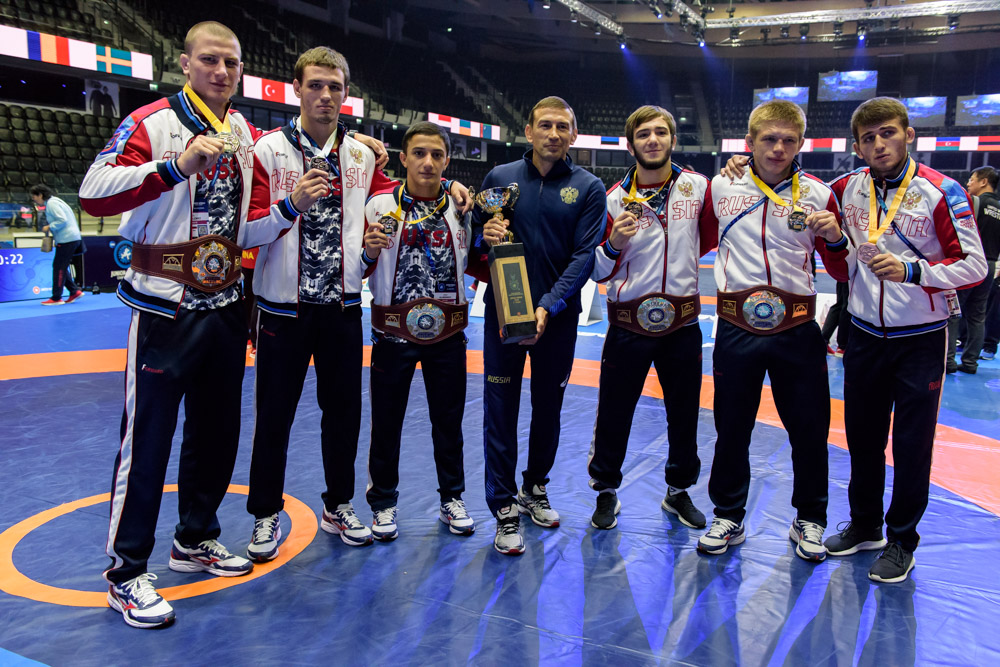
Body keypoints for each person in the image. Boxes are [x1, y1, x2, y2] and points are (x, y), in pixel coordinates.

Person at [79, 22, 281, 629]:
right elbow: (93, 191)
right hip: (164, 308)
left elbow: (248, 221)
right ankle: (126, 572)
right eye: (210, 60)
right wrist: (174, 166)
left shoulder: (245, 132)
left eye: (232, 62)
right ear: (185, 64)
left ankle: (194, 538)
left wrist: (297, 203)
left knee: (216, 434)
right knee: (148, 441)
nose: (222, 71)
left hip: (226, 306)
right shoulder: (151, 122)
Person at [243, 48, 469, 560]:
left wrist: (452, 183)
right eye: (316, 85)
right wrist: (290, 205)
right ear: (296, 89)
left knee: (343, 416)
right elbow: (245, 230)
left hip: (343, 308)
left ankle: (339, 505)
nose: (325, 96)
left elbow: (412, 190)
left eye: (335, 87)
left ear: (346, 94)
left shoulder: (363, 158)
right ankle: (264, 514)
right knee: (273, 417)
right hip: (281, 307)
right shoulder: (267, 150)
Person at [823, 98, 987, 582]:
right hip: (863, 333)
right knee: (862, 438)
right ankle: (866, 525)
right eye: (869, 138)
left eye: (888, 133)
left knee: (912, 445)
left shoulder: (943, 191)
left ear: (908, 135)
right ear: (857, 147)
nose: (879, 144)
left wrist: (913, 271)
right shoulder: (844, 189)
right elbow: (796, 193)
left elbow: (975, 266)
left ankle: (901, 541)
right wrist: (740, 164)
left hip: (921, 337)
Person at [699, 100, 849, 562]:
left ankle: (810, 518)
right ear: (750, 142)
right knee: (731, 428)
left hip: (797, 327)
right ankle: (728, 514)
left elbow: (842, 269)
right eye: (769, 139)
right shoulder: (722, 185)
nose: (778, 148)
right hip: (736, 325)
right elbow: (692, 239)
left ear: (801, 143)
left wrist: (836, 238)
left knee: (809, 429)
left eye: (788, 140)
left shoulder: (820, 194)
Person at [473, 96, 606, 555]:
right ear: (528, 131)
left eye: (562, 127)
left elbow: (584, 257)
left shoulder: (588, 187)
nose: (553, 134)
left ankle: (534, 487)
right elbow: (474, 243)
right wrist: (484, 236)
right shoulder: (499, 178)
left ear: (573, 134)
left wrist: (548, 306)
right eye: (545, 125)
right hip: (503, 316)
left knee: (548, 408)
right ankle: (503, 506)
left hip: (558, 319)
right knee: (500, 409)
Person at [586, 105, 712, 531]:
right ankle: (606, 490)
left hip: (682, 323)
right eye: (643, 134)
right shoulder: (611, 199)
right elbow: (597, 271)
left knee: (684, 412)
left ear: (673, 139)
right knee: (615, 410)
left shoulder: (699, 188)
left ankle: (678, 491)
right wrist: (613, 244)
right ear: (631, 144)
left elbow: (709, 239)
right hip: (628, 324)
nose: (653, 140)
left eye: (660, 132)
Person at [362, 121, 475, 541]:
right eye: (419, 153)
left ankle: (452, 498)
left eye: (437, 155)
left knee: (449, 423)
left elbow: (479, 259)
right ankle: (383, 503)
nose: (428, 162)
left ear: (447, 161)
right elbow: (357, 267)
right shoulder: (376, 205)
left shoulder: (463, 207)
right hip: (393, 334)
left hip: (448, 335)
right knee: (386, 423)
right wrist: (368, 251)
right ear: (404, 158)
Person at [946, 166, 1000, 371]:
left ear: (984, 182)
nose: (968, 183)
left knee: (953, 312)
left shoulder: (973, 202)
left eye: (972, 179)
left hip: (969, 263)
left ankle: (948, 361)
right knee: (978, 316)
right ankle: (970, 362)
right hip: (990, 264)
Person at [32, 184, 84, 305]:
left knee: (59, 267)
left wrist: (49, 226)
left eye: (34, 197)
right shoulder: (55, 201)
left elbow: (62, 219)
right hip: (71, 238)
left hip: (67, 239)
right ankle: (74, 291)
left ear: (40, 195)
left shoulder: (52, 204)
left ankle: (56, 298)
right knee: (60, 266)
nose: (34, 199)